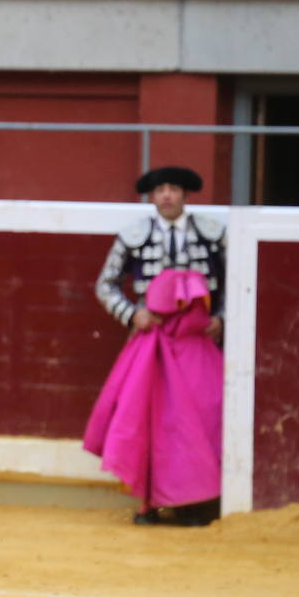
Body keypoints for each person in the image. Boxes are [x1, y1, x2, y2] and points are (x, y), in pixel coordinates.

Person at [84, 167, 225, 527]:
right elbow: (105, 285)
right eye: (160, 189)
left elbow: (240, 280)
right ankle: (152, 502)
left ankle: (200, 502)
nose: (166, 195)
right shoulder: (133, 236)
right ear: (151, 196)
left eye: (173, 189)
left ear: (185, 195)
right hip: (154, 341)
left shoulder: (213, 235)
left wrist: (223, 319)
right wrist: (132, 315)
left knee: (204, 417)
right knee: (150, 419)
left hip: (196, 341)